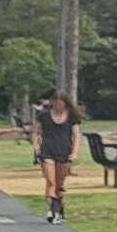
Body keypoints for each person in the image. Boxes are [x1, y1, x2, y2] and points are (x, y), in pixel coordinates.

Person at [34, 92, 85, 222]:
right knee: (51, 181)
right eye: (55, 102)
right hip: (47, 151)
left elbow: (76, 135)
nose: (58, 105)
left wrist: (74, 152)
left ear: (65, 103)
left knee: (59, 184)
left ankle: (59, 206)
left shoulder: (72, 116)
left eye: (60, 102)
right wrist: (37, 149)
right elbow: (37, 133)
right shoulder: (44, 116)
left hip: (64, 152)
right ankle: (52, 210)